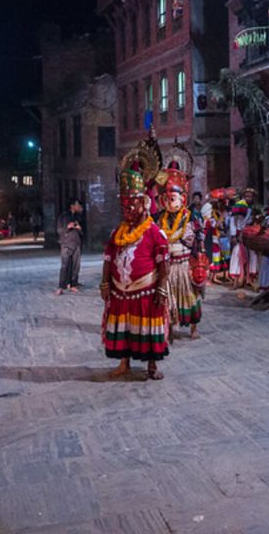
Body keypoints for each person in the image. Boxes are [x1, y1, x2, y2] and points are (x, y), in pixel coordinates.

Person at [100, 134, 170, 380]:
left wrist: (162, 286)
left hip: (146, 290)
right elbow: (109, 258)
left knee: (149, 329)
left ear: (144, 204)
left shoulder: (154, 232)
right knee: (124, 330)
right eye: (124, 207)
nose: (127, 211)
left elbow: (163, 262)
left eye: (132, 206)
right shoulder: (117, 232)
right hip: (121, 292)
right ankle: (124, 363)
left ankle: (151, 366)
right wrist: (105, 282)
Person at [157, 144, 202, 339]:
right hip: (168, 266)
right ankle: (170, 327)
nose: (169, 203)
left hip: (184, 265)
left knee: (188, 296)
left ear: (183, 199)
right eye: (166, 199)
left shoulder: (190, 218)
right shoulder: (160, 218)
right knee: (168, 298)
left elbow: (196, 243)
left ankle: (193, 328)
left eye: (173, 198)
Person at [228, 188, 259, 289]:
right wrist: (234, 235)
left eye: (250, 197)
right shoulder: (239, 207)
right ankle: (236, 280)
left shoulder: (252, 209)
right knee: (237, 255)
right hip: (239, 234)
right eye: (246, 196)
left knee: (252, 255)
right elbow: (233, 221)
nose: (248, 198)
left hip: (249, 235)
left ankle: (250, 278)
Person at [55, 198, 84, 295]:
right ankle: (61, 286)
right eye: (77, 205)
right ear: (72, 206)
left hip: (76, 243)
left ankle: (73, 284)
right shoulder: (63, 216)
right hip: (66, 244)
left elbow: (82, 232)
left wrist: (79, 228)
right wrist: (68, 227)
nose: (78, 206)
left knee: (76, 266)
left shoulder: (78, 216)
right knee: (65, 265)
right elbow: (59, 230)